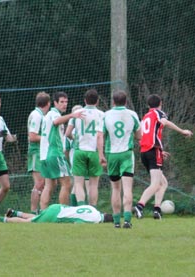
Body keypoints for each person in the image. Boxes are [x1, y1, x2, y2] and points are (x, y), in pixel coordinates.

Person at [134, 94, 193, 220]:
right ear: (160, 103)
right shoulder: (158, 113)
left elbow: (141, 136)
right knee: (155, 184)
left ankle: (157, 210)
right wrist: (182, 131)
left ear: (148, 105)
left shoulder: (145, 117)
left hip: (146, 151)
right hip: (153, 150)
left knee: (163, 183)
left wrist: (160, 150)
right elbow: (165, 122)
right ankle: (139, 206)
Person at [102, 90, 141, 228]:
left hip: (111, 154)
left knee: (115, 189)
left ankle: (116, 221)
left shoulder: (106, 115)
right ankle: (127, 220)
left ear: (113, 101)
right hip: (126, 154)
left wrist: (101, 155)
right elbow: (139, 135)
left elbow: (102, 135)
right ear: (125, 101)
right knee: (127, 188)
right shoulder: (132, 114)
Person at [39, 91, 84, 210]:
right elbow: (56, 121)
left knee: (49, 185)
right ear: (55, 103)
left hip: (44, 155)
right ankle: (63, 211)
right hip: (54, 154)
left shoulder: (47, 115)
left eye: (66, 102)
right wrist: (72, 115)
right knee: (67, 183)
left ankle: (43, 213)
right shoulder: (54, 114)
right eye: (62, 102)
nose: (64, 104)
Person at [65, 89, 104, 207]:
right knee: (93, 184)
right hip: (94, 151)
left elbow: (67, 133)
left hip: (80, 150)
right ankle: (92, 210)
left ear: (84, 100)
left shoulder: (77, 113)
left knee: (78, 182)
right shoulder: (102, 114)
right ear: (97, 101)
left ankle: (81, 208)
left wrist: (75, 139)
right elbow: (101, 135)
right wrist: (102, 153)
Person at [27, 92, 50, 214]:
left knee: (43, 183)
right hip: (36, 152)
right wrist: (47, 138)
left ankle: (39, 210)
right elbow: (32, 136)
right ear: (48, 103)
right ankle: (33, 211)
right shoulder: (37, 115)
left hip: (41, 152)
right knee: (39, 183)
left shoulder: (40, 115)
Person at [0, 204, 113, 224]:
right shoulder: (95, 220)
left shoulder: (92, 208)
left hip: (58, 207)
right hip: (57, 216)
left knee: (37, 217)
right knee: (29, 223)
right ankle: (1, 219)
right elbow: (77, 222)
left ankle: (14, 212)